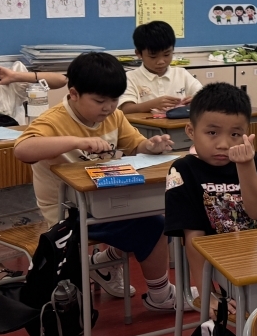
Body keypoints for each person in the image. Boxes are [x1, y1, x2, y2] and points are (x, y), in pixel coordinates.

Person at [13, 51, 178, 310]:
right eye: (100, 101)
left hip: (106, 202)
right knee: (154, 225)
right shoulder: (53, 121)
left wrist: (151, 146)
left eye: (114, 100)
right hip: (68, 215)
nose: (108, 107)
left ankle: (104, 265)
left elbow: (135, 144)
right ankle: (160, 295)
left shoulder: (114, 116)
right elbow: (22, 150)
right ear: (74, 94)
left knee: (159, 216)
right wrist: (77, 141)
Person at [164, 83, 257, 305]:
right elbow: (193, 238)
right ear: (191, 131)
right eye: (212, 133)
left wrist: (245, 165)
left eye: (235, 134)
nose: (223, 144)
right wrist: (207, 295)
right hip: (222, 259)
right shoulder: (183, 170)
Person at [120, 20, 203, 115]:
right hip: (143, 125)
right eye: (153, 56)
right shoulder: (130, 78)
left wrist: (196, 101)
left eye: (167, 54)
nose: (161, 61)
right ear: (138, 53)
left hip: (180, 124)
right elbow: (125, 109)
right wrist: (152, 104)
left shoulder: (181, 74)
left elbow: (205, 97)